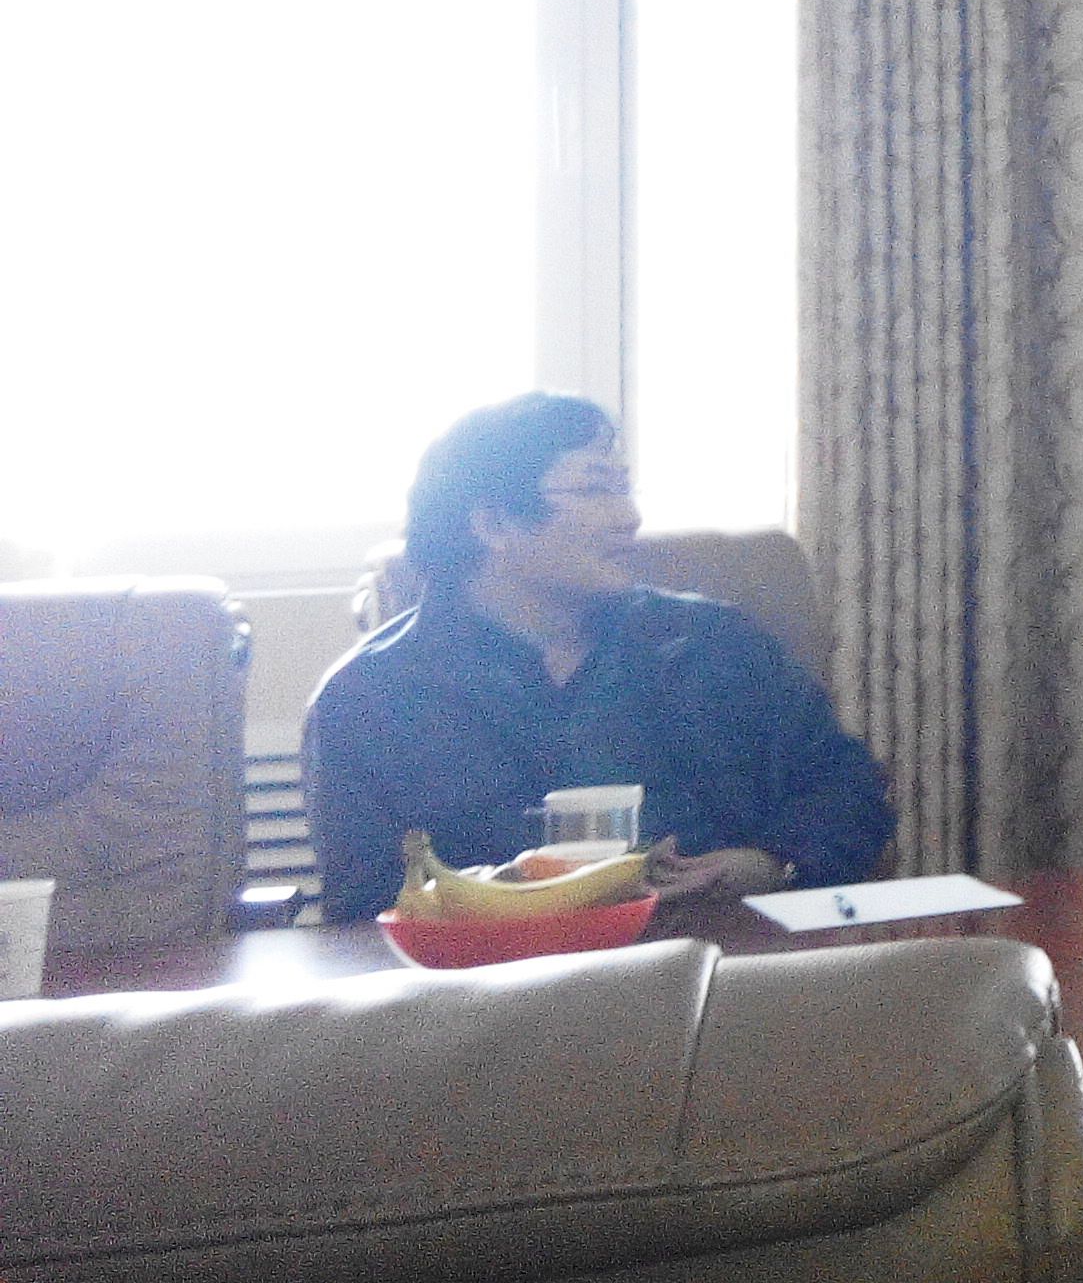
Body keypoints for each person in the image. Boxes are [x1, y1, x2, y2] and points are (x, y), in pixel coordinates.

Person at [305, 393, 894, 923]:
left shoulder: (713, 643)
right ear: (494, 523)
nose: (629, 518)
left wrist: (769, 862)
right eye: (595, 490)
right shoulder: (370, 700)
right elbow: (365, 910)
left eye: (624, 489)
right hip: (490, 991)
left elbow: (847, 790)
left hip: (730, 967)